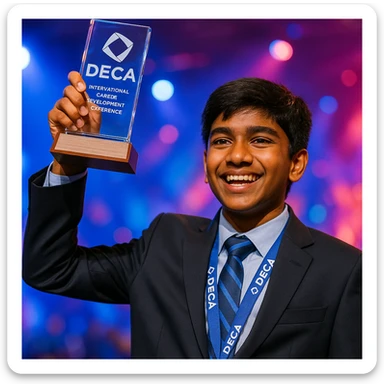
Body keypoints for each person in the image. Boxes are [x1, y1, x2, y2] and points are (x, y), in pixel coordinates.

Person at [22, 71, 362, 359]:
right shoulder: (165, 241)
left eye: (259, 140)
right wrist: (69, 161)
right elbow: (50, 269)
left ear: (296, 163)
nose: (237, 156)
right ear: (204, 164)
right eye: (222, 141)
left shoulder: (344, 270)